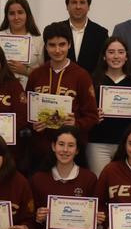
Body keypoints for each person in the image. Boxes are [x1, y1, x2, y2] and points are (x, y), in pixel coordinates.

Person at [26, 22, 99, 171]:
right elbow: (26, 111)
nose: (57, 50)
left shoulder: (82, 76)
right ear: (45, 47)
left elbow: (92, 116)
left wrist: (76, 123)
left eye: (62, 44)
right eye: (52, 45)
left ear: (69, 44)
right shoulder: (36, 75)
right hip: (41, 151)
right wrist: (32, 125)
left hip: (71, 151)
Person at [86, 37, 131, 175]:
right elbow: (85, 112)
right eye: (111, 52)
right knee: (100, 183)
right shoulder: (93, 81)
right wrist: (93, 116)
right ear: (104, 56)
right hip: (98, 143)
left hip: (125, 144)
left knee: (122, 185)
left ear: (126, 56)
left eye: (120, 52)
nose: (116, 56)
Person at [59, 0, 109, 74]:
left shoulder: (101, 33)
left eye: (82, 2)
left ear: (88, 6)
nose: (78, 7)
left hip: (91, 84)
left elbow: (103, 64)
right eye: (74, 2)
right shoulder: (57, 30)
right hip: (61, 84)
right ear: (67, 6)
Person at [0, 0, 43, 87]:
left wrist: (25, 70)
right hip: (1, 90)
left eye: (20, 12)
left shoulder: (38, 40)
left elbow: (45, 73)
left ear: (27, 14)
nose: (16, 17)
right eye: (12, 13)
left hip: (29, 90)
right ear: (7, 16)